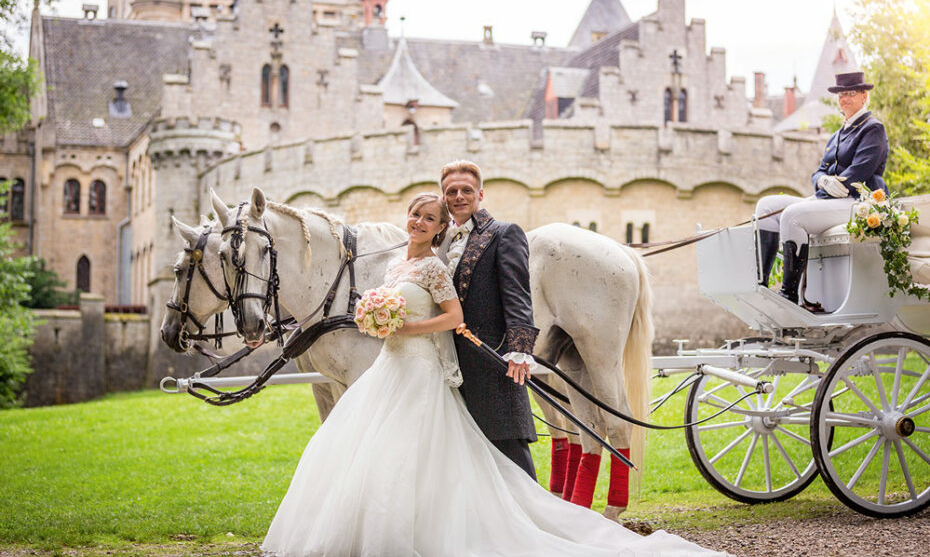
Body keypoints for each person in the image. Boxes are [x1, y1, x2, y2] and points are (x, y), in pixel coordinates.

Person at [262, 192, 728, 556]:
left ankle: (603, 507)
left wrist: (513, 346)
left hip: (436, 361)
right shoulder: (394, 263)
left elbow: (461, 313)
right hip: (397, 366)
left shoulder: (452, 258)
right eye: (416, 215)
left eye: (431, 217)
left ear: (454, 215)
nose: (420, 223)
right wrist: (374, 320)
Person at [438, 160, 538, 479]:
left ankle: (534, 522)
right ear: (443, 197)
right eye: (451, 191)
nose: (459, 196)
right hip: (449, 363)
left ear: (480, 194)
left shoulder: (504, 233)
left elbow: (518, 293)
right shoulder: (438, 241)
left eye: (466, 190)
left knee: (509, 450)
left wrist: (519, 350)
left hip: (492, 359)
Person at [755, 71, 888, 305]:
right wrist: (823, 182)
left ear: (864, 96)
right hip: (829, 199)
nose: (844, 99)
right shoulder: (837, 135)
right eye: (840, 94)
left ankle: (789, 294)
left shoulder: (872, 129)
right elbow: (819, 171)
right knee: (766, 206)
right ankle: (761, 285)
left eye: (850, 93)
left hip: (859, 202)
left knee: (793, 216)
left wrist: (828, 186)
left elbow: (859, 173)